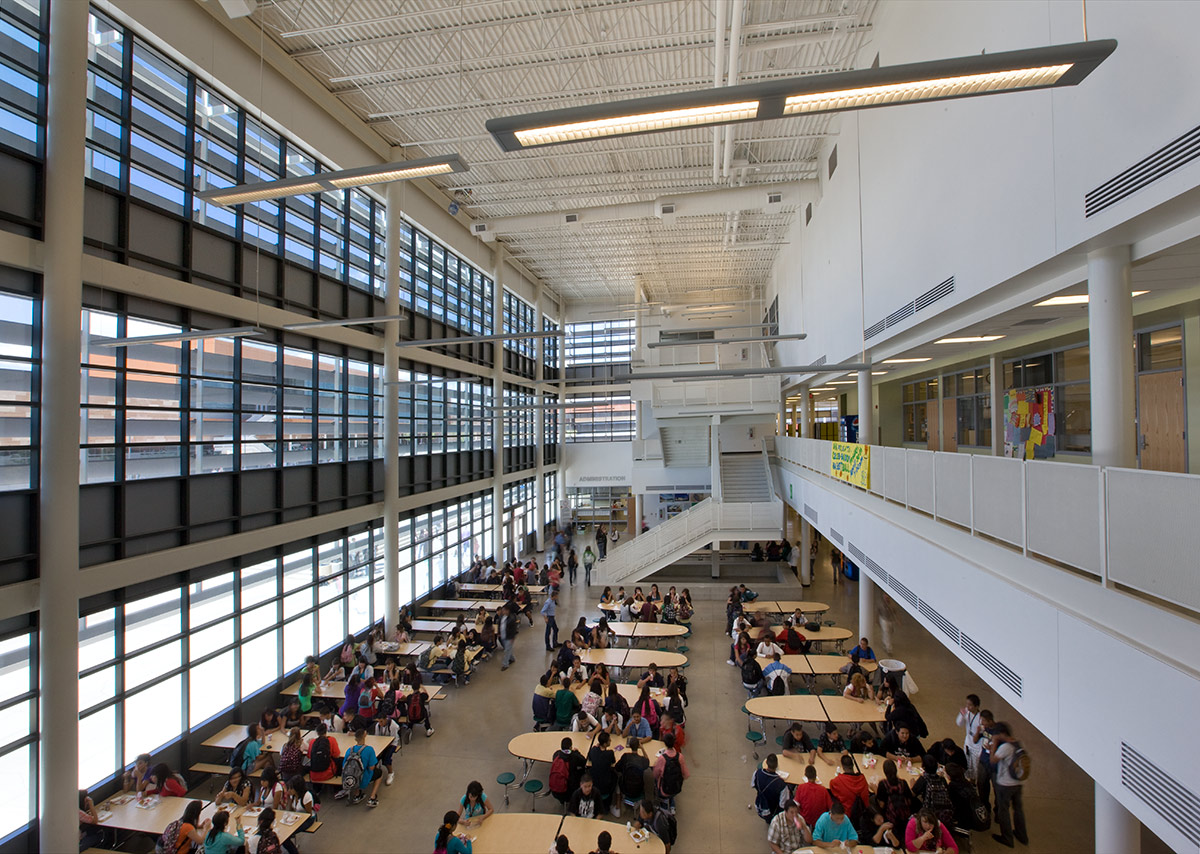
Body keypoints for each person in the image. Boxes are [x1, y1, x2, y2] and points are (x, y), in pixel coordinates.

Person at [989, 722, 1028, 848]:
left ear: (1001, 734)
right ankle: (1022, 836)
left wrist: (994, 744)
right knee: (1018, 809)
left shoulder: (1005, 747)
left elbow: (993, 760)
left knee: (1003, 810)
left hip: (1005, 784)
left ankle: (1007, 838)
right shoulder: (1017, 744)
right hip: (1018, 783)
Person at [339, 726, 383, 807]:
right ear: (365, 735)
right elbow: (371, 767)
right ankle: (372, 797)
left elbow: (343, 766)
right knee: (379, 773)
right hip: (363, 780)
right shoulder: (369, 749)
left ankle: (357, 795)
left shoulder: (350, 750)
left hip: (352, 780)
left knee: (355, 771)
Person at [876, 758, 915, 831]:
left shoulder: (883, 785)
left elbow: (882, 805)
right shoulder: (903, 783)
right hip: (905, 816)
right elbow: (910, 799)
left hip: (890, 818)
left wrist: (875, 790)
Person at [653, 732, 688, 810]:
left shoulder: (662, 758)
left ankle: (663, 808)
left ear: (665, 743)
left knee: (656, 783)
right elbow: (686, 774)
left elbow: (655, 774)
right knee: (671, 794)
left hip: (664, 789)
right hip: (676, 787)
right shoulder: (680, 757)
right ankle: (672, 806)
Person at [752, 753, 791, 822]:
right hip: (773, 811)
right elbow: (783, 804)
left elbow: (753, 785)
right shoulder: (781, 784)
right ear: (777, 765)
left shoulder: (757, 773)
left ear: (766, 762)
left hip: (759, 805)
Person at [550, 737, 588, 806]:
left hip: (554, 791)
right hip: (568, 792)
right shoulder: (574, 757)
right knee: (582, 772)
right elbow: (583, 761)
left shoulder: (556, 754)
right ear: (570, 747)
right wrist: (577, 752)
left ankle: (562, 801)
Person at [587, 731, 618, 814]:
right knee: (616, 775)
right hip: (606, 785)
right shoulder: (610, 753)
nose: (610, 741)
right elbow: (613, 762)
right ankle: (608, 805)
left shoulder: (593, 750)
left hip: (594, 782)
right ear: (605, 744)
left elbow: (589, 757)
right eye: (609, 741)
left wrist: (596, 748)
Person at [955, 694, 984, 781]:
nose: (968, 707)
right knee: (967, 764)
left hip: (977, 746)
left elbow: (983, 733)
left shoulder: (980, 718)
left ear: (976, 706)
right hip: (968, 743)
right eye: (967, 704)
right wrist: (961, 715)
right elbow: (959, 723)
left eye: (970, 705)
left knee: (975, 767)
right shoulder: (967, 713)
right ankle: (969, 781)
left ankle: (974, 782)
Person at [497, 604, 519, 671]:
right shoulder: (501, 617)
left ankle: (505, 664)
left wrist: (512, 637)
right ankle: (511, 658)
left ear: (508, 611)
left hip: (509, 637)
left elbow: (514, 629)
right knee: (508, 649)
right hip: (503, 636)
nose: (503, 611)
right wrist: (499, 633)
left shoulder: (512, 618)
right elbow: (499, 625)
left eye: (504, 610)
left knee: (506, 650)